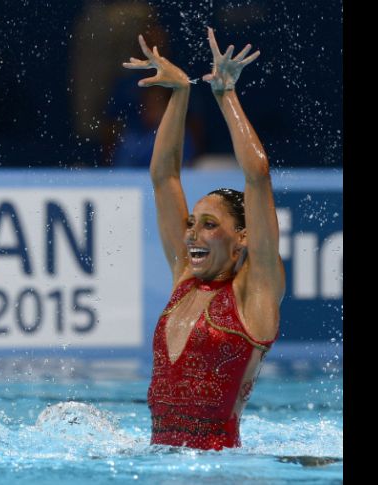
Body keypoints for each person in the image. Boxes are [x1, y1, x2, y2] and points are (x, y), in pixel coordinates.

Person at [123, 28, 284, 450]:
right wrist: (178, 94)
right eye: (192, 223)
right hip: (157, 461)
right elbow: (164, 177)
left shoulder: (256, 294)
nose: (192, 232)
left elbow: (258, 175)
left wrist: (225, 95)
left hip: (221, 471)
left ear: (242, 238)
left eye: (209, 224)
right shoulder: (184, 277)